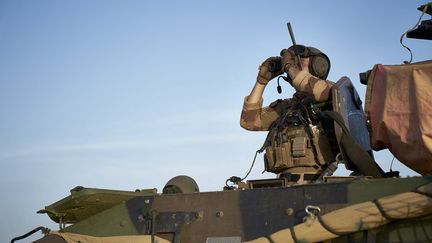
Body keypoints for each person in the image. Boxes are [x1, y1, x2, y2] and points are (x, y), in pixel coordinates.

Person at [240, 46, 337, 184]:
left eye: (300, 61)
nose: (294, 64)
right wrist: (261, 81)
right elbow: (249, 121)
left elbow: (313, 88)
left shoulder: (331, 93)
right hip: (283, 184)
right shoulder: (288, 107)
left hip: (316, 183)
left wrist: (289, 67)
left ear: (318, 66)